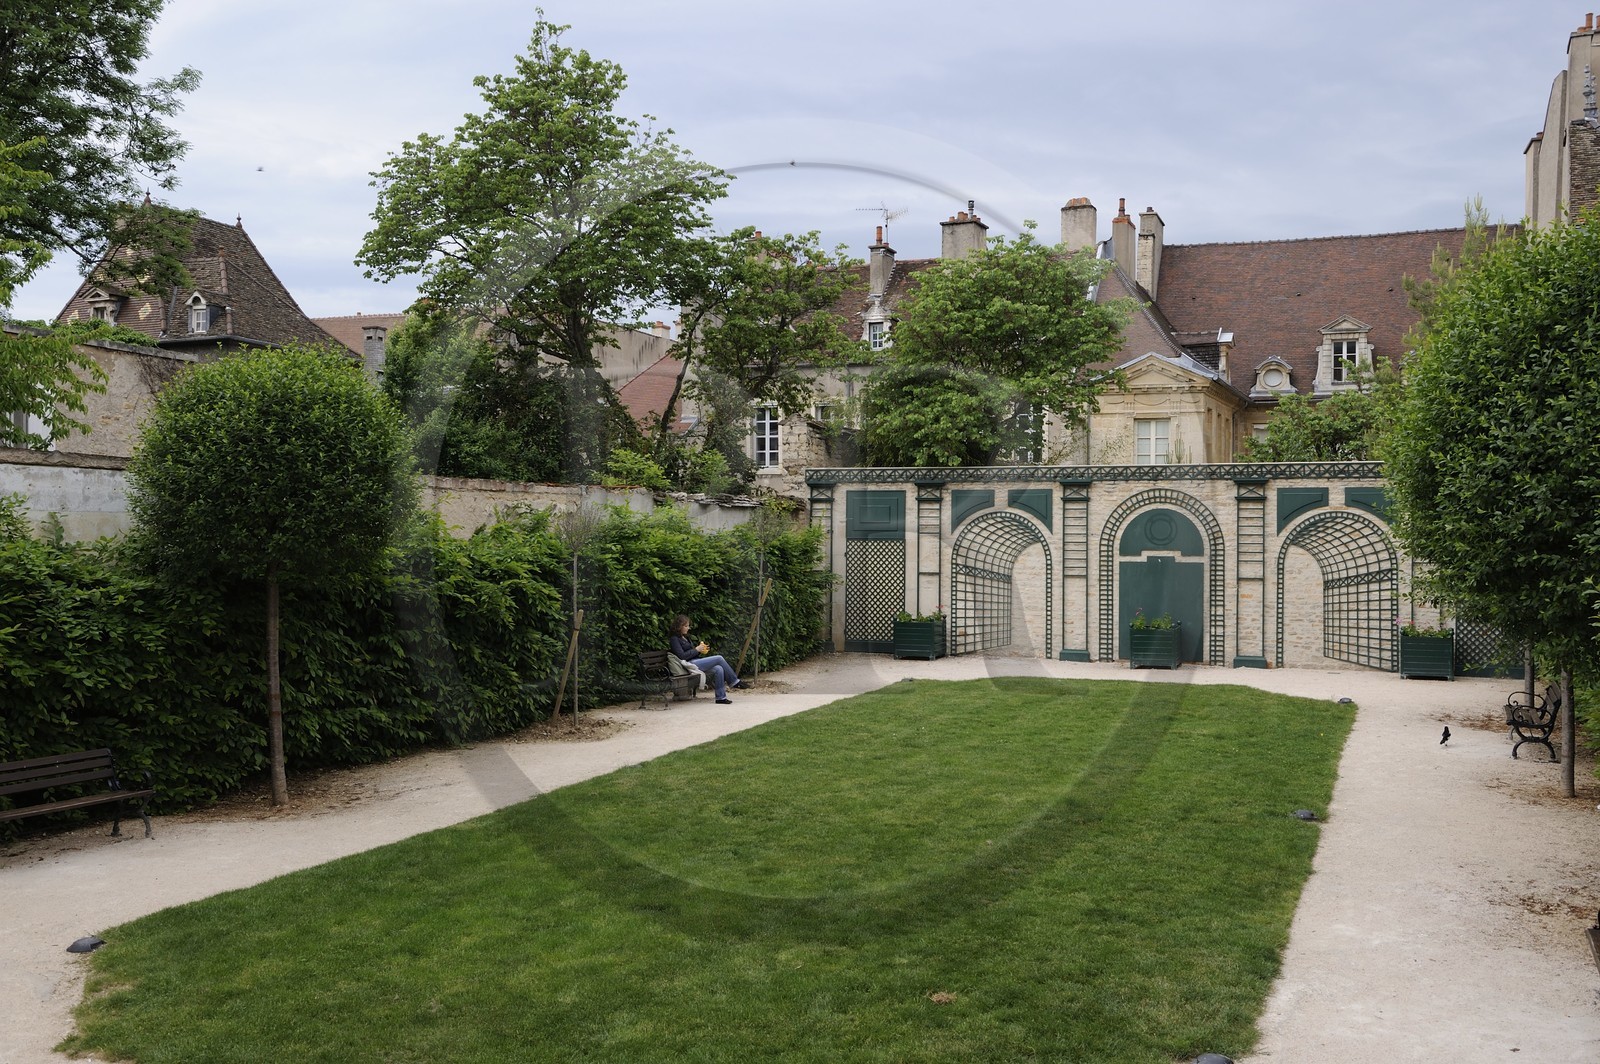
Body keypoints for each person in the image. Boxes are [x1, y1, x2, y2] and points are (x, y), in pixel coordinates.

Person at [669, 614, 741, 703]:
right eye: (686, 626)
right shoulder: (674, 639)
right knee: (719, 658)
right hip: (688, 665)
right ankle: (734, 682)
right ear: (679, 626)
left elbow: (692, 653)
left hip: (695, 661)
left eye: (688, 626)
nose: (688, 628)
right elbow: (682, 656)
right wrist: (696, 649)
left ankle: (721, 698)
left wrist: (701, 650)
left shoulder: (685, 637)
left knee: (719, 669)